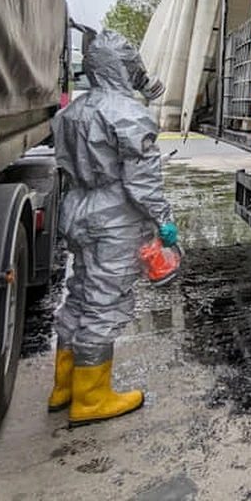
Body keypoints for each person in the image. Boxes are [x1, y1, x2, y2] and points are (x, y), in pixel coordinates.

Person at [47, 29, 178, 425]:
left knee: (79, 295)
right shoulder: (130, 114)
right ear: (123, 67)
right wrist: (165, 222)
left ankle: (64, 386)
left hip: (78, 209)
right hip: (114, 219)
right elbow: (143, 183)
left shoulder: (71, 112)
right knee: (104, 305)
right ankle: (91, 399)